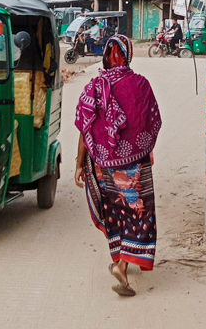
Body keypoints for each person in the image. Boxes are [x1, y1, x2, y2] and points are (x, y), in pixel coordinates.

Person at [74, 35, 161, 297]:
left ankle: (120, 259)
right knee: (137, 210)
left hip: (103, 165)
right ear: (128, 55)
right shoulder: (141, 85)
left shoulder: (94, 87)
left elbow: (84, 128)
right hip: (135, 165)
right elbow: (151, 122)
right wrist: (143, 148)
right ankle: (122, 265)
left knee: (118, 210)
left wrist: (79, 164)